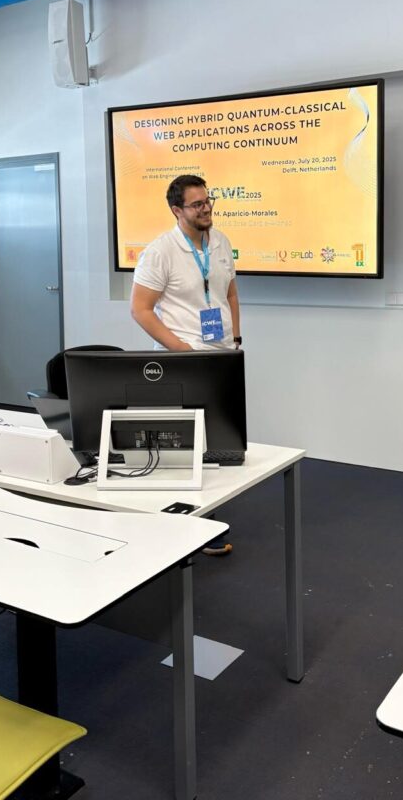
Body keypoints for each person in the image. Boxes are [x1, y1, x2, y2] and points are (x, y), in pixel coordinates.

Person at [131, 174, 241, 555]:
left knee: (219, 442)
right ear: (177, 210)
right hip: (184, 359)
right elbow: (141, 310)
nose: (206, 208)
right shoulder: (160, 252)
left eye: (208, 201)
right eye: (197, 204)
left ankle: (205, 523)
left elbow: (229, 292)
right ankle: (184, 530)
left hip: (221, 355)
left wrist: (236, 339)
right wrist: (181, 351)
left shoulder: (221, 241)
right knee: (188, 445)